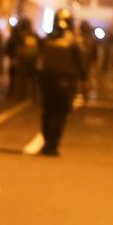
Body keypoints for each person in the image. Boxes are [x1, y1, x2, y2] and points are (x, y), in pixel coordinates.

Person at [37, 9, 86, 156]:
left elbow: (40, 62)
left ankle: (48, 142)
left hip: (47, 81)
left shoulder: (47, 39)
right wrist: (84, 81)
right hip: (65, 82)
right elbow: (80, 64)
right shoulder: (73, 42)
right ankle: (53, 144)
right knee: (60, 114)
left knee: (48, 112)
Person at [6, 16, 40, 100]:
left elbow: (10, 47)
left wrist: (12, 58)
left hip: (21, 60)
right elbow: (40, 47)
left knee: (18, 78)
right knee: (30, 79)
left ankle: (17, 94)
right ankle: (30, 95)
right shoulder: (33, 35)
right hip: (31, 60)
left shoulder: (17, 35)